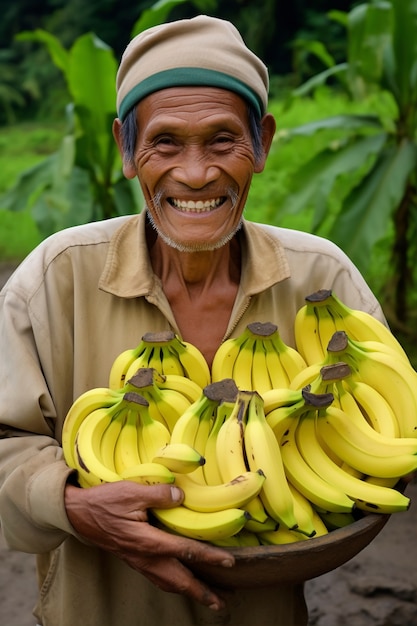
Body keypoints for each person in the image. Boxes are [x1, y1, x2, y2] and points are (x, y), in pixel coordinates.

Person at [0, 15, 390, 626]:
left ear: (261, 143)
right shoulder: (57, 278)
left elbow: (383, 432)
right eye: (164, 142)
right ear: (127, 151)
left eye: (221, 140)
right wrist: (72, 504)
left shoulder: (322, 281)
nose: (195, 174)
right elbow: (6, 444)